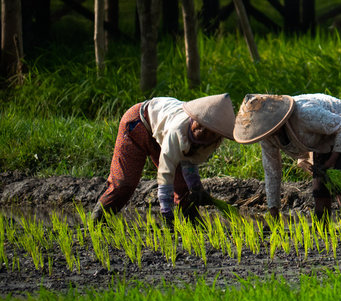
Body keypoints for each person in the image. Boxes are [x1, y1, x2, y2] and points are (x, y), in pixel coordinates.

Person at [91, 94, 236, 226]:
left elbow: (189, 160)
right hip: (138, 124)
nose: (205, 133)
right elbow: (166, 173)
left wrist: (196, 187)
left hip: (160, 132)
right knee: (124, 184)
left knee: (184, 188)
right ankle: (95, 222)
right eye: (203, 128)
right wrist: (166, 212)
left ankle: (195, 226)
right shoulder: (177, 130)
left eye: (211, 132)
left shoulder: (213, 140)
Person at [233, 93, 341, 220]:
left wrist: (331, 161)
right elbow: (272, 171)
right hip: (322, 138)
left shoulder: (304, 114)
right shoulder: (267, 137)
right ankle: (321, 233)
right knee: (319, 189)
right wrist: (273, 212)